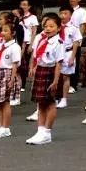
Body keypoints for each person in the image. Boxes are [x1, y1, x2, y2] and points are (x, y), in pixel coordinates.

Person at [27, 13, 63, 145]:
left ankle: (47, 132)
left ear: (58, 28)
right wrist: (34, 67)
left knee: (50, 103)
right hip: (41, 70)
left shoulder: (58, 43)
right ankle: (40, 131)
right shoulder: (42, 40)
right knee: (40, 103)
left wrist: (55, 81)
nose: (48, 29)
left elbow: (59, 63)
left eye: (51, 26)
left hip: (51, 71)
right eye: (46, 26)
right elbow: (36, 56)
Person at [56, 5, 82, 110]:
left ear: (71, 15)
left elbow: (76, 43)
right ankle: (56, 97)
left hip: (67, 53)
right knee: (56, 76)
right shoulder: (56, 27)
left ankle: (64, 99)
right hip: (56, 53)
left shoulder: (74, 28)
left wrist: (72, 57)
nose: (63, 16)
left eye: (65, 13)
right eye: (61, 13)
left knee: (65, 77)